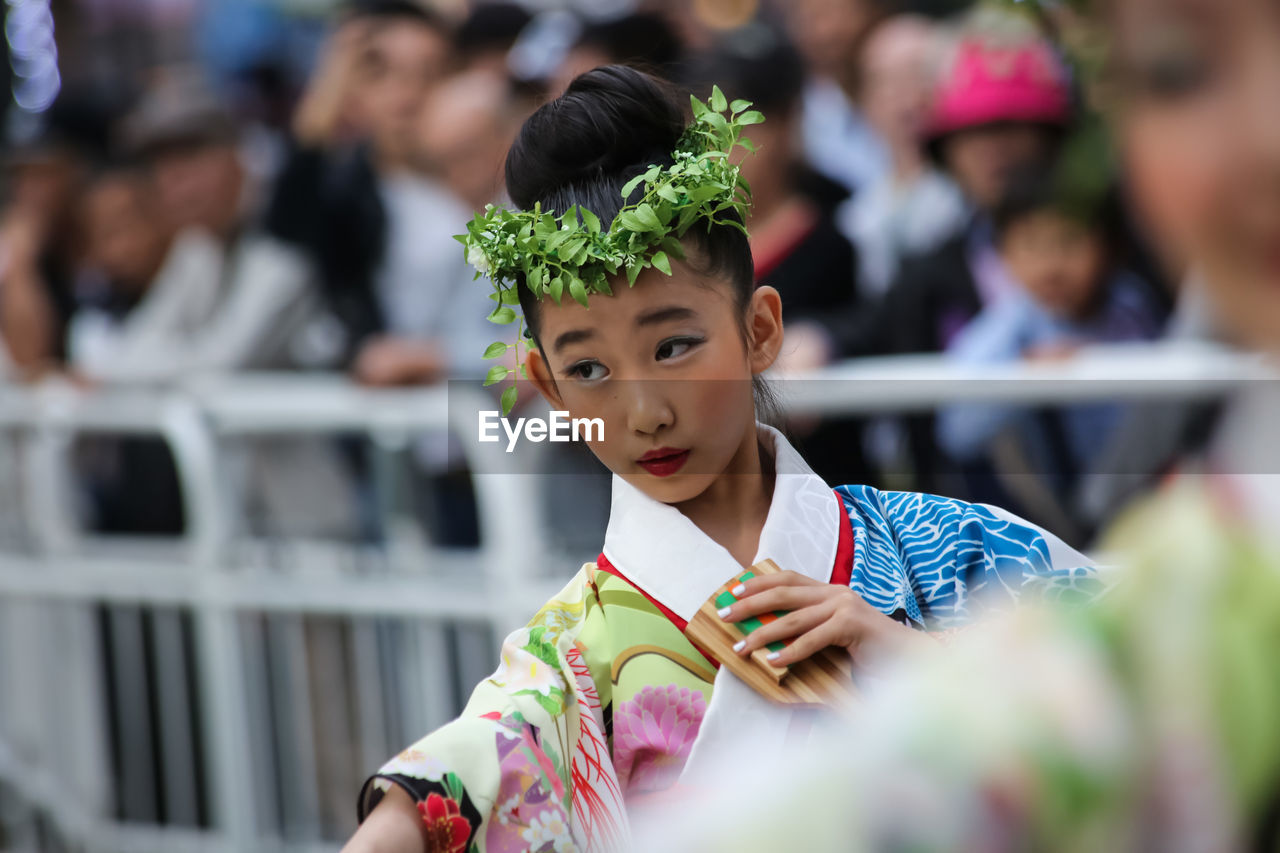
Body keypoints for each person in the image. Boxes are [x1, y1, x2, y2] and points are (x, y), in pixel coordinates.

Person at [340, 66, 1096, 853]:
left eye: (674, 346)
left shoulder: (941, 546)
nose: (645, 412)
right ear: (547, 387)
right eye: (589, 369)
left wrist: (913, 654)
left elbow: (1158, 684)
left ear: (760, 330)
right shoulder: (567, 654)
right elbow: (452, 787)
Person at [837, 14, 967, 297]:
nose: (906, 97)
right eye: (885, 82)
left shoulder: (977, 202)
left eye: (919, 75)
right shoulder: (855, 218)